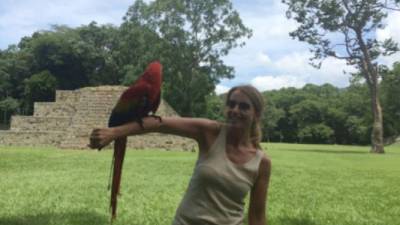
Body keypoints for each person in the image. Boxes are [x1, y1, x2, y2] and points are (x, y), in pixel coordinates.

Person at [89, 85, 272, 225]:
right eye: (231, 104)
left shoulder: (261, 162)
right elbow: (160, 123)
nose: (235, 111)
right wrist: (115, 132)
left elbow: (257, 216)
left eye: (244, 107)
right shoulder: (210, 132)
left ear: (256, 114)